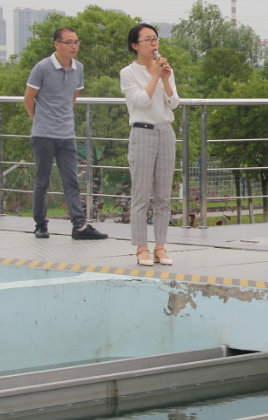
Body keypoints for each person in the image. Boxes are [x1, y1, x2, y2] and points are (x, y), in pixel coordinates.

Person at [23, 27, 108, 241]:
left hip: (67, 134)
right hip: (43, 134)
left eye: (76, 42)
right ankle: (40, 225)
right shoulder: (42, 68)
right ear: (57, 44)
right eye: (69, 42)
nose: (74, 46)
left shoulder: (78, 68)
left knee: (71, 181)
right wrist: (40, 122)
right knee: (42, 180)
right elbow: (28, 99)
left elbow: (72, 98)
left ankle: (79, 226)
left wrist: (62, 121)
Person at [120, 24, 179, 266]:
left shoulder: (164, 69)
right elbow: (141, 101)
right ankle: (141, 247)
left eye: (155, 39)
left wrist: (165, 79)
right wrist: (155, 76)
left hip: (165, 131)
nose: (154, 44)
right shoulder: (128, 73)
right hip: (142, 132)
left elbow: (173, 103)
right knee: (141, 194)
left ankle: (161, 246)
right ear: (135, 45)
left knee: (163, 195)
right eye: (148, 40)